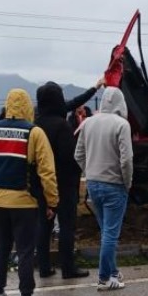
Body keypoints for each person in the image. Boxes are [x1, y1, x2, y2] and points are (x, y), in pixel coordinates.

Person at [0, 88, 58, 296]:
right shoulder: (35, 133)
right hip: (24, 202)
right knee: (24, 250)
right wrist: (52, 202)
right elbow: (47, 173)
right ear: (27, 107)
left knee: (0, 248)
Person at [34, 80, 102, 279]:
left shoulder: (36, 124)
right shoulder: (61, 126)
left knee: (43, 226)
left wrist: (94, 87)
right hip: (63, 184)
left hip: (40, 185)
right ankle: (68, 267)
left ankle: (44, 267)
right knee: (66, 226)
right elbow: (70, 157)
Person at [74, 87, 133, 291]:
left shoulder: (88, 122)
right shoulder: (122, 125)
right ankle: (104, 278)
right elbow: (126, 160)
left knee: (105, 231)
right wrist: (128, 182)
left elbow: (78, 154)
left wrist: (90, 172)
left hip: (93, 184)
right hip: (115, 185)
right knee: (110, 234)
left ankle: (114, 271)